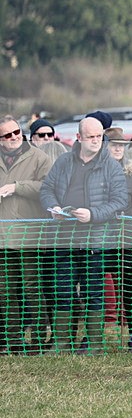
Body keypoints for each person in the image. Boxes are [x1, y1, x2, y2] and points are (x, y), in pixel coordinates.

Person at [39, 117, 128, 355]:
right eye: (91, 137)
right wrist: (54, 208)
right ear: (79, 138)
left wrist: (93, 214)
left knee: (94, 293)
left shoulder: (111, 166)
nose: (96, 141)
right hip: (64, 239)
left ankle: (94, 344)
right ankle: (61, 343)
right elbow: (46, 189)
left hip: (95, 241)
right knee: (63, 291)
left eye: (99, 136)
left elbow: (120, 200)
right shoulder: (63, 161)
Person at [0, 115, 52, 354]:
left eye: (17, 132)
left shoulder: (38, 157)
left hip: (28, 234)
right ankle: (12, 339)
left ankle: (41, 338)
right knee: (6, 290)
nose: (13, 138)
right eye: (7, 135)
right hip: (2, 235)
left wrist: (17, 187)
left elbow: (48, 188)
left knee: (32, 286)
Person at [103, 127, 132, 350]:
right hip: (100, 238)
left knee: (129, 286)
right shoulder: (95, 173)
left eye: (121, 145)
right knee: (94, 286)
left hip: (126, 239)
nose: (118, 148)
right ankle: (91, 336)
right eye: (113, 144)